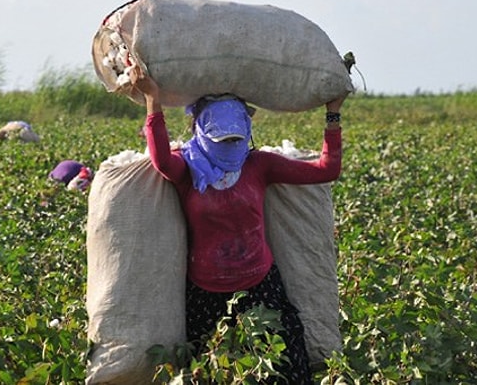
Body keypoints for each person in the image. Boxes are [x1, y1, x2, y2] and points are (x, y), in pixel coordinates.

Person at [130, 65, 347, 384]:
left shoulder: (258, 165)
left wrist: (333, 113)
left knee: (285, 369)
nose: (229, 146)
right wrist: (152, 98)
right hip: (207, 292)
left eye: (235, 138)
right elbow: (161, 160)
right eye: (221, 138)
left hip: (261, 284)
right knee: (213, 371)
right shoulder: (189, 169)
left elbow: (326, 170)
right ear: (202, 131)